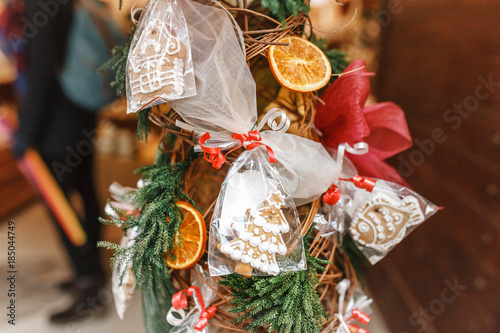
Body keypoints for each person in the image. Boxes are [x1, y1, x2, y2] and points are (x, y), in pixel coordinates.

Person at [12, 0, 122, 324]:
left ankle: (88, 286)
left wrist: (25, 134)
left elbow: (42, 71)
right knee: (86, 193)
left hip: (55, 126)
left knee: (60, 206)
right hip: (80, 114)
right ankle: (93, 273)